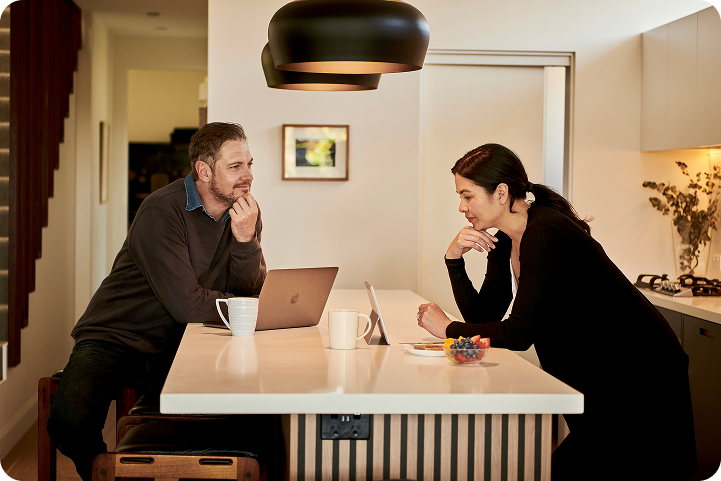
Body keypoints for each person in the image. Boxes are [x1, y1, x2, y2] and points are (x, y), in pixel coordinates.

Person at [416, 144, 697, 480]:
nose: (461, 207)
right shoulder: (508, 238)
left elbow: (518, 334)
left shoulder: (546, 232)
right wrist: (453, 260)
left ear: (501, 193)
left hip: (639, 380)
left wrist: (447, 328)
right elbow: (482, 317)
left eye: (467, 196)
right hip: (603, 379)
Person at [47, 122, 267, 481]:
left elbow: (248, 291)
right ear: (203, 170)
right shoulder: (162, 211)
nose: (248, 176)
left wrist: (245, 241)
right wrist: (244, 305)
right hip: (116, 336)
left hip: (179, 343)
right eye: (236, 166)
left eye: (250, 164)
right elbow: (189, 305)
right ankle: (109, 475)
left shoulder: (245, 213)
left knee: (244, 410)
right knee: (68, 422)